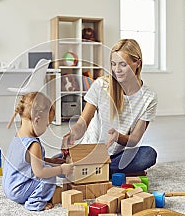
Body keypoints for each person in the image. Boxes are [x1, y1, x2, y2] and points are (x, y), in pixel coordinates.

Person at [62, 39, 158, 176]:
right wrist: (71, 135)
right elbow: (82, 124)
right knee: (59, 162)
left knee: (148, 154)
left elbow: (134, 139)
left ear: (137, 62)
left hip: (117, 156)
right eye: (113, 64)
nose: (116, 70)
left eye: (123, 64)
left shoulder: (149, 97)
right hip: (91, 152)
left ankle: (97, 171)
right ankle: (108, 172)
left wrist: (118, 137)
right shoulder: (101, 85)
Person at [3, 92, 74, 211]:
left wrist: (50, 161)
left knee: (48, 166)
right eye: (47, 125)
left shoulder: (19, 136)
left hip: (10, 186)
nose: (46, 129)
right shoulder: (33, 144)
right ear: (37, 119)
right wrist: (61, 169)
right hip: (18, 191)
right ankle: (35, 202)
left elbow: (28, 161)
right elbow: (40, 172)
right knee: (49, 177)